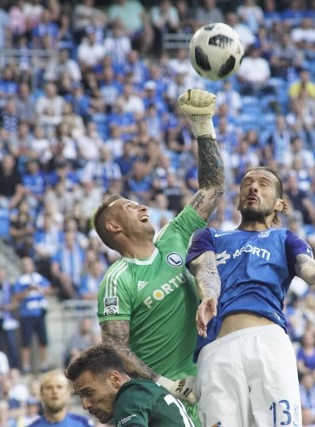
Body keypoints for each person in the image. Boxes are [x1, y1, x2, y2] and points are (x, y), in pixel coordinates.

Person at [186, 166, 315, 426]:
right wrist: (209, 295)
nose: (253, 187)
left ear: (280, 203)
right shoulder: (210, 236)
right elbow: (206, 269)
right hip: (215, 351)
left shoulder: (285, 239)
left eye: (263, 183)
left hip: (267, 343)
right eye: (247, 182)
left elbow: (308, 268)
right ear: (239, 197)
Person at [92, 88, 224, 422]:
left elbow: (212, 189)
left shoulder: (174, 235)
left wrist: (203, 127)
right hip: (164, 399)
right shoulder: (118, 279)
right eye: (128, 206)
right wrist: (164, 383)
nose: (142, 206)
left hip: (208, 378)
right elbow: (114, 349)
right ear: (114, 227)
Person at [66, 343, 195, 426]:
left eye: (89, 393)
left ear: (115, 379)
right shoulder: (144, 391)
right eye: (80, 396)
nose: (85, 405)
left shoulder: (128, 396)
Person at [28, 370, 93, 427]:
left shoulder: (84, 424)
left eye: (59, 387)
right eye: (49, 387)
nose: (54, 391)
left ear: (68, 393)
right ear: (41, 394)